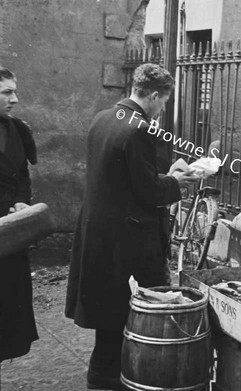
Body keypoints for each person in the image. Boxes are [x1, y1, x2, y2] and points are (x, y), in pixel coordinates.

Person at [65, 63, 199, 390]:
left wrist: (166, 173)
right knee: (128, 314)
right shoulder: (139, 127)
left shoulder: (103, 118)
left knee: (107, 318)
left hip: (99, 234)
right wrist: (177, 182)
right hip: (127, 241)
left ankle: (101, 378)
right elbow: (148, 191)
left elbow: (123, 175)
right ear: (153, 95)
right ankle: (114, 381)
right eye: (163, 103)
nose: (161, 111)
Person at [0, 67, 39, 363]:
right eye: (7, 92)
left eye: (14, 91)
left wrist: (21, 203)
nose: (15, 99)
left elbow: (22, 177)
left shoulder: (15, 129)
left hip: (9, 239)